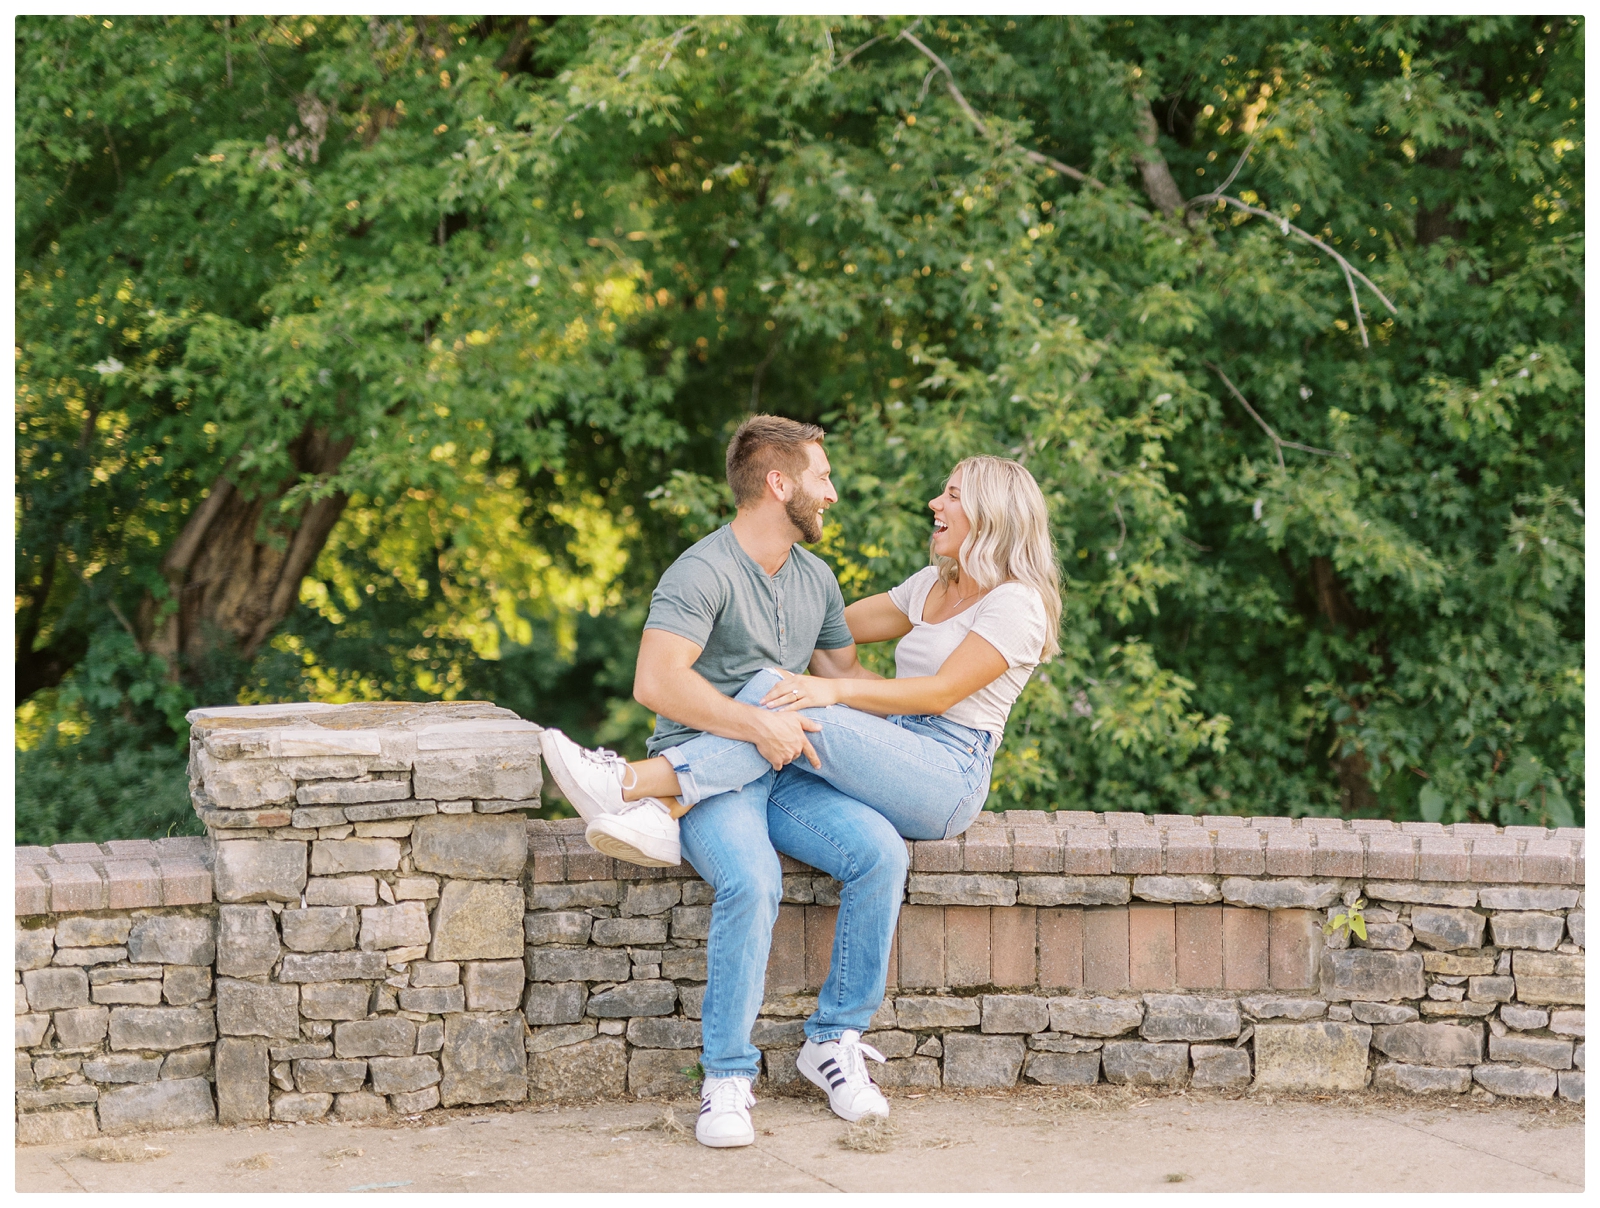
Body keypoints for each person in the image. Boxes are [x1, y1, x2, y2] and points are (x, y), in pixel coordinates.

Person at [541, 446, 1062, 1136]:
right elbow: (830, 624)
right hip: (873, 752)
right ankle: (803, 1053)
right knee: (876, 853)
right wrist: (772, 615)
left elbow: (938, 693)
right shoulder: (931, 586)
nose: (936, 504)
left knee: (770, 692)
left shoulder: (1016, 604)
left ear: (993, 513)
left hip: (945, 771)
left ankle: (645, 790)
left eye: (953, 494)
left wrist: (829, 689)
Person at [540, 415, 909, 1148]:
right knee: (752, 879)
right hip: (719, 775)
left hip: (788, 772)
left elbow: (845, 682)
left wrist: (936, 705)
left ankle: (832, 1042)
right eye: (821, 477)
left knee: (881, 853)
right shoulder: (701, 571)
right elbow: (656, 682)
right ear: (780, 484)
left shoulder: (817, 579)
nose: (832, 493)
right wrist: (756, 726)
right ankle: (727, 1080)